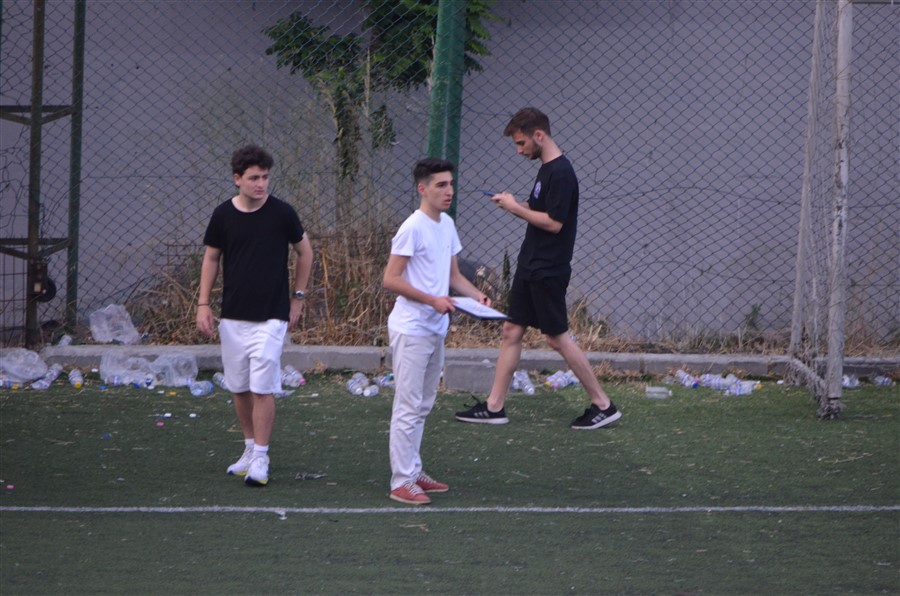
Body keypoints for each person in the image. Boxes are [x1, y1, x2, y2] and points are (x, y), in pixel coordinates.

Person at [455, 108, 622, 430]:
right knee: (511, 331)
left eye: (521, 143)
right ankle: (494, 407)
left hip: (548, 269)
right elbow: (539, 209)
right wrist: (512, 203)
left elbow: (554, 223)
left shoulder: (561, 173)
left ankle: (603, 405)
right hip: (530, 265)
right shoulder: (546, 170)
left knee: (557, 338)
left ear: (539, 136)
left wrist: (516, 209)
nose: (519, 150)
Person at [196, 144, 314, 486]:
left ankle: (262, 456)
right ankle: (249, 449)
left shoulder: (282, 213)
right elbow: (211, 258)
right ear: (238, 179)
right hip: (233, 316)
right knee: (239, 386)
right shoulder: (223, 215)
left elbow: (305, 253)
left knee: (263, 386)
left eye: (265, 177)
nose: (261, 184)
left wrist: (298, 298)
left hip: (272, 316)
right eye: (254, 178)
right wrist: (203, 304)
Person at [384, 158, 492, 505]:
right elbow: (391, 279)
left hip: (435, 327)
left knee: (423, 403)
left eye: (450, 184)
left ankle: (413, 471)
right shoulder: (412, 227)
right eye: (441, 185)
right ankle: (401, 480)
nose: (449, 191)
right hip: (412, 328)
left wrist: (476, 296)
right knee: (408, 404)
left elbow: (453, 276)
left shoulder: (446, 224)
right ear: (423, 189)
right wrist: (432, 300)